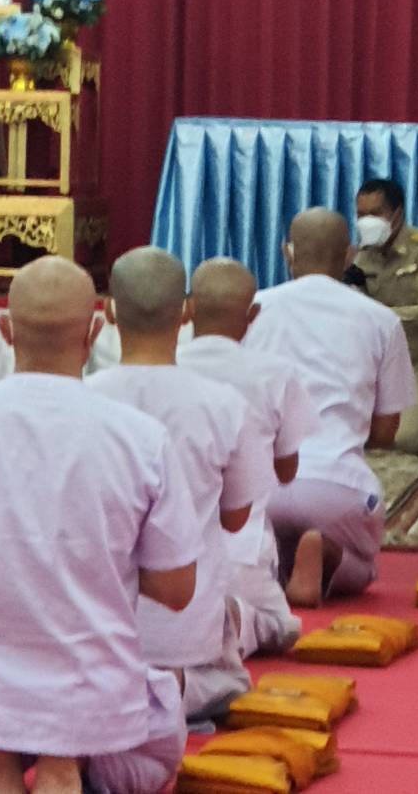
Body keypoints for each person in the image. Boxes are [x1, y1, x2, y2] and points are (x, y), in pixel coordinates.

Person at [0, 256, 200, 794]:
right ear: (95, 332)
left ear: (5, 330)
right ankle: (66, 762)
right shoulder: (140, 437)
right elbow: (176, 589)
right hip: (98, 705)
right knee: (162, 716)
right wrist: (100, 559)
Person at [87, 247, 265, 724]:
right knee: (234, 680)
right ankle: (174, 689)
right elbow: (236, 519)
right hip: (185, 627)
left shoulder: (82, 400)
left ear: (109, 311)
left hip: (91, 626)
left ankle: (125, 693)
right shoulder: (223, 404)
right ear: (187, 312)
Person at [245, 207, 417, 606]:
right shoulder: (381, 319)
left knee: (250, 552)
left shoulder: (252, 308)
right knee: (365, 568)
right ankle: (325, 553)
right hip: (337, 486)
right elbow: (386, 433)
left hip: (259, 485)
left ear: (287, 252)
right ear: (350, 255)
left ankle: (278, 564)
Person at [177, 258, 319, 657]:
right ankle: (234, 621)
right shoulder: (275, 373)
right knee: (283, 628)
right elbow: (287, 471)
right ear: (253, 314)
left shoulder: (163, 370)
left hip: (164, 551)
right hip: (241, 547)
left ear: (189, 308)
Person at [353, 178, 418, 453]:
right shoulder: (361, 257)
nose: (367, 222)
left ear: (397, 214)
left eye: (375, 214)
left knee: (405, 439)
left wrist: (379, 316)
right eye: (361, 215)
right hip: (375, 364)